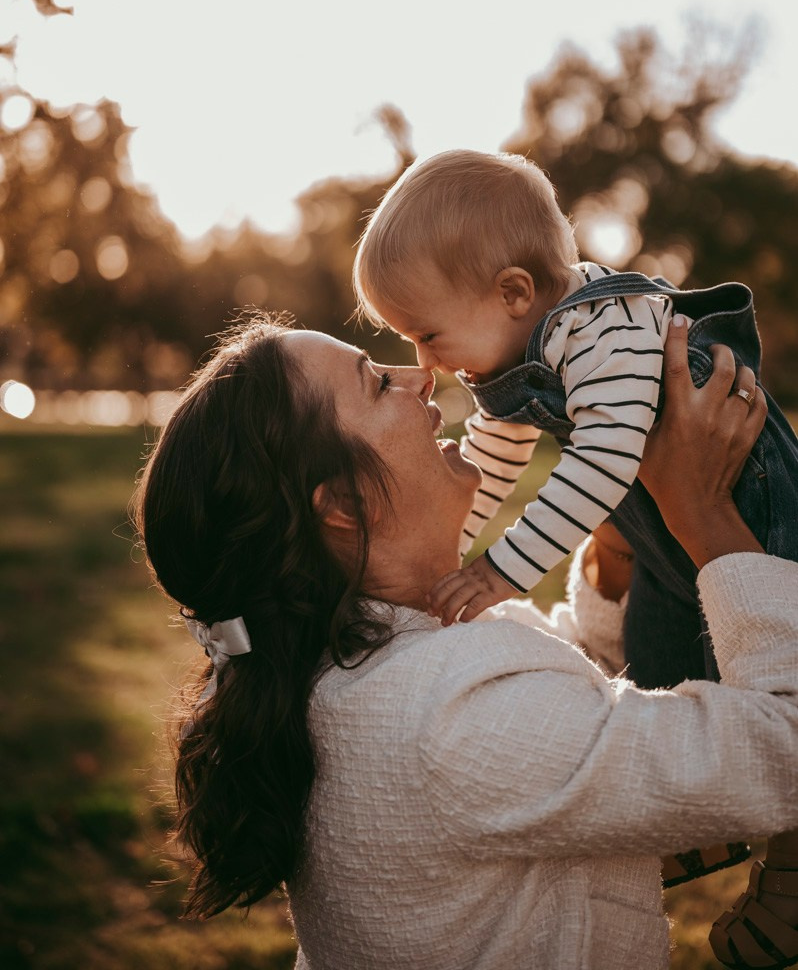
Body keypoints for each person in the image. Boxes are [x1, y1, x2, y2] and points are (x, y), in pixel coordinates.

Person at [137, 312, 798, 970]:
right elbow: (784, 752)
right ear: (341, 502)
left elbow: (567, 716)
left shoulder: (362, 669)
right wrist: (705, 512)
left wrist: (620, 541)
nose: (419, 377)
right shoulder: (450, 723)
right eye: (375, 384)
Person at [353, 148, 798, 934]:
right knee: (662, 675)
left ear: (514, 291)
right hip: (663, 533)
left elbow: (604, 461)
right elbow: (495, 453)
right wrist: (451, 550)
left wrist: (499, 569)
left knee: (774, 658)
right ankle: (698, 816)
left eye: (427, 334)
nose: (424, 365)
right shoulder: (527, 339)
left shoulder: (609, 335)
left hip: (758, 512)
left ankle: (793, 863)